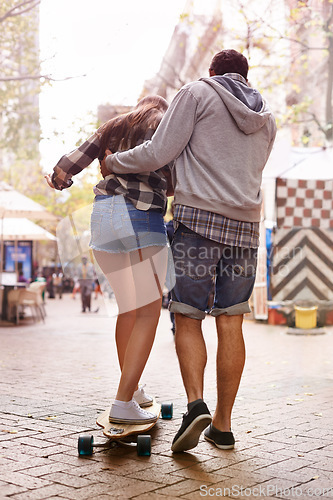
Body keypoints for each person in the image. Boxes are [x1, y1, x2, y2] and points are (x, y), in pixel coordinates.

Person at [100, 50, 277, 451]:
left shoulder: (197, 93)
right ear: (246, 77)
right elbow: (251, 169)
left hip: (198, 224)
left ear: (212, 72)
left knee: (188, 316)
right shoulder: (268, 117)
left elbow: (159, 151)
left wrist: (115, 163)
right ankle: (223, 426)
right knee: (231, 321)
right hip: (247, 230)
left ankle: (195, 405)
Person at [45, 95, 171, 425]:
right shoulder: (165, 125)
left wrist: (62, 179)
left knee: (128, 309)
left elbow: (65, 167)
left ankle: (131, 390)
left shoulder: (113, 125)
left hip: (102, 218)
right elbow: (173, 179)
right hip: (141, 216)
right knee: (149, 311)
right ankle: (123, 400)